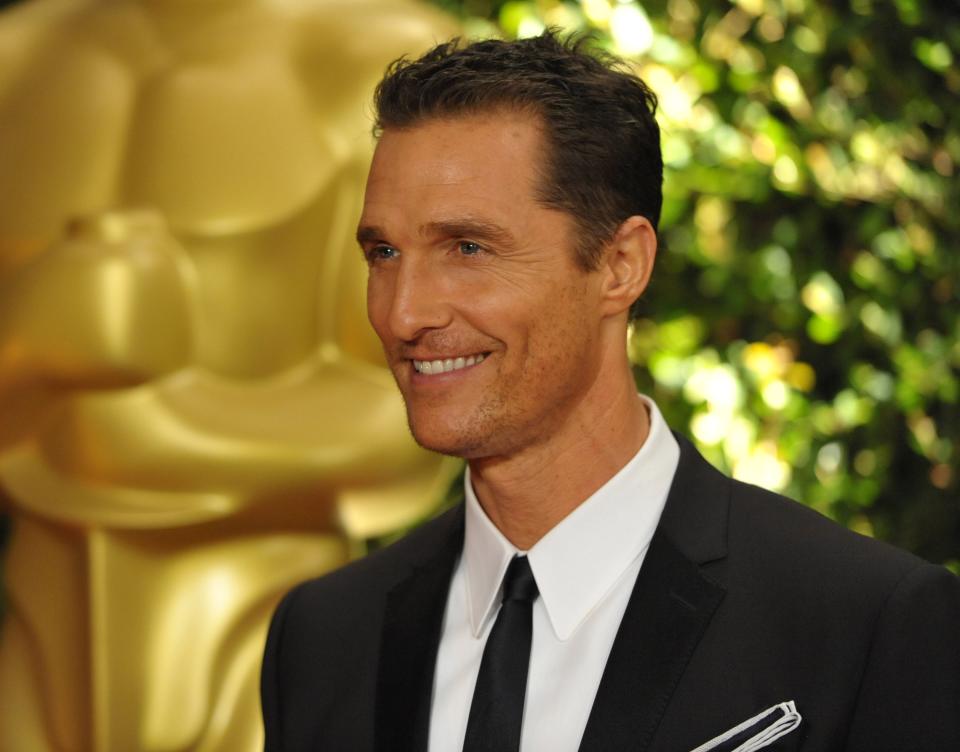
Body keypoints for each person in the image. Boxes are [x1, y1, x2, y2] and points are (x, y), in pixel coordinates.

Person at [260, 31, 960, 752]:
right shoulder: (323, 639)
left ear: (621, 265)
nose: (404, 313)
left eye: (467, 248)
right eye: (384, 253)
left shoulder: (862, 621)